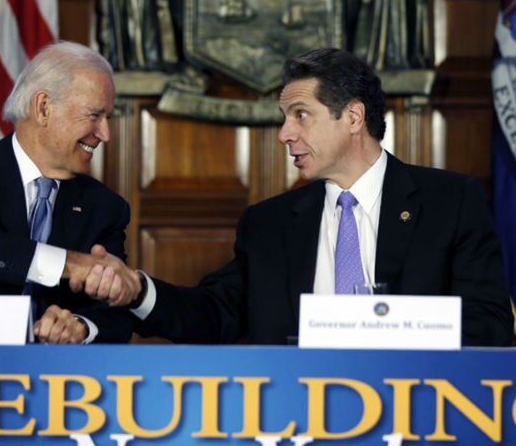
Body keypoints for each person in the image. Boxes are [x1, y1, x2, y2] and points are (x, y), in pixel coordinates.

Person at [93, 47, 514, 347]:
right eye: (284, 118)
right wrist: (137, 291)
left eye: (301, 115)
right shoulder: (269, 224)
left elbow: (488, 325)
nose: (284, 134)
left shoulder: (449, 202)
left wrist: (392, 334)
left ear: (352, 117)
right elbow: (212, 315)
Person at [0, 41, 140, 344]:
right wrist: (68, 263)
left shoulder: (105, 208)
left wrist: (80, 326)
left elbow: (116, 311)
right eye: (94, 115)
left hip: (55, 382)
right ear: (43, 107)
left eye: (107, 119)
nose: (105, 134)